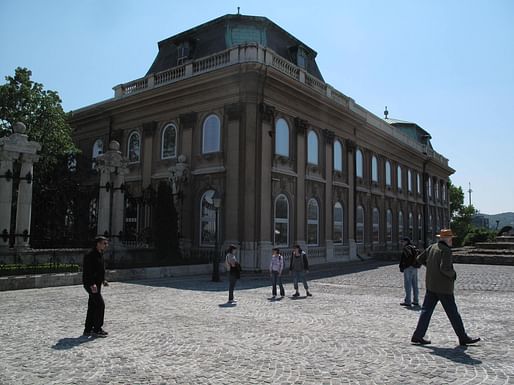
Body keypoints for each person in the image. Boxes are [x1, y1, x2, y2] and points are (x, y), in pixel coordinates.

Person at [411, 229, 481, 346]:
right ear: (447, 239)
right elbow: (445, 268)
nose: (452, 240)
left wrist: (431, 268)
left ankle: (417, 335)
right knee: (453, 313)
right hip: (443, 287)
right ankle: (463, 337)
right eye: (451, 238)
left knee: (426, 311)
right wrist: (453, 275)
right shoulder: (446, 251)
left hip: (431, 285)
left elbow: (419, 259)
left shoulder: (432, 247)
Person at [82, 236, 110, 337]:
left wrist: (103, 280)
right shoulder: (90, 255)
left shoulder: (100, 254)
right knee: (100, 305)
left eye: (106, 243)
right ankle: (97, 329)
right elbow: (88, 271)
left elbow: (99, 270)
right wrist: (92, 284)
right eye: (104, 243)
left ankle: (88, 329)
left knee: (93, 305)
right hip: (91, 284)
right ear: (98, 243)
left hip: (96, 284)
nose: (106, 245)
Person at [399, 237, 420, 307]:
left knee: (407, 284)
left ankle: (408, 301)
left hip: (408, 268)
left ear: (406, 241)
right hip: (414, 268)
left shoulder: (407, 248)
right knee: (415, 284)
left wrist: (405, 265)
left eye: (402, 241)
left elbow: (408, 256)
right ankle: (416, 300)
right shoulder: (414, 247)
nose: (402, 243)